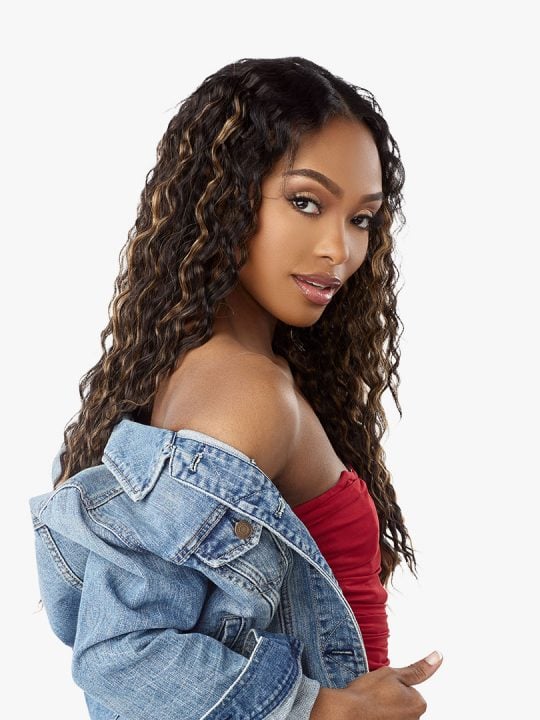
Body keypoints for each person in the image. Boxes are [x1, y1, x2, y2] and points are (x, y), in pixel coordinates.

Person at [29, 56, 443, 719]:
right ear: (225, 196)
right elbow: (123, 655)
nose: (340, 250)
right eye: (306, 203)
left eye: (362, 218)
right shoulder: (246, 393)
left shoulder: (207, 366)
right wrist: (324, 709)